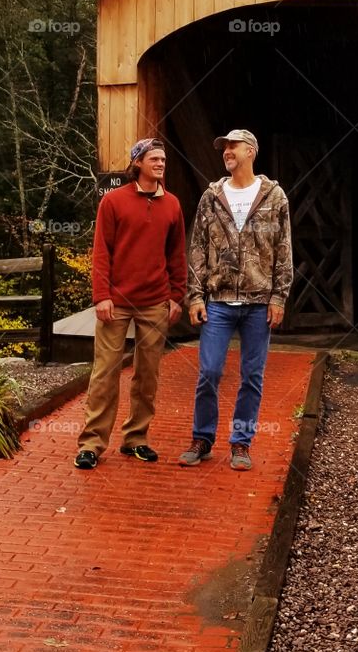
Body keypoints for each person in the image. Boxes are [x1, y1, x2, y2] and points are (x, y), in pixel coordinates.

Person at [178, 129, 293, 471]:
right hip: (218, 300)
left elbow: (284, 250)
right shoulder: (211, 196)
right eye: (223, 147)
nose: (227, 151)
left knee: (252, 376)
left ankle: (241, 444)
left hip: (259, 304)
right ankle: (202, 439)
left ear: (250, 151)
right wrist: (195, 296)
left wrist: (280, 297)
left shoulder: (275, 196)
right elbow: (197, 249)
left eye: (233, 146)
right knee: (209, 371)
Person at [74, 138, 186, 469]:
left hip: (155, 302)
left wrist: (175, 295)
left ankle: (136, 438)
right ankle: (92, 444)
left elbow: (176, 254)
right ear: (137, 163)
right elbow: (101, 252)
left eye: (163, 159)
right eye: (154, 158)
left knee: (147, 375)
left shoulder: (173, 205)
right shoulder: (113, 202)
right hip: (117, 302)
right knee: (105, 372)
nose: (161, 163)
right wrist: (102, 295)